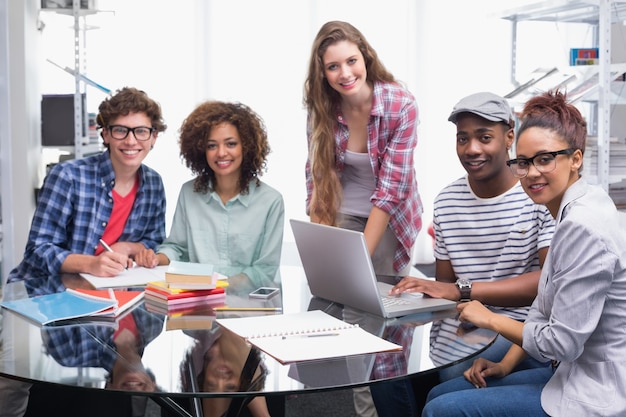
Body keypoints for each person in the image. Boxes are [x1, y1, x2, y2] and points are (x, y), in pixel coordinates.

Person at [422, 90, 626, 417]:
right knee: (438, 393)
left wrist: (490, 318)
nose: (531, 173)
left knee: (441, 410)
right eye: (524, 162)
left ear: (576, 159)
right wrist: (505, 365)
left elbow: (560, 343)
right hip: (571, 371)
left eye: (545, 159)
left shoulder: (582, 227)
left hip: (595, 389)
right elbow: (543, 310)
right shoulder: (576, 206)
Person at [369, 92, 555, 417]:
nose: (472, 149)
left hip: (515, 328)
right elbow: (445, 285)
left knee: (452, 376)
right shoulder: (446, 201)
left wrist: (461, 292)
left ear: (510, 136)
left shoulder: (535, 195)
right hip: (461, 322)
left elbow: (546, 283)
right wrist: (411, 304)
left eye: (485, 138)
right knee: (383, 369)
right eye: (462, 139)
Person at [303, 20, 423, 282]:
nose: (345, 73)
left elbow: (391, 191)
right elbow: (319, 179)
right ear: (323, 72)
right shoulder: (321, 109)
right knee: (333, 292)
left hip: (390, 217)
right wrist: (319, 252)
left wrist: (358, 264)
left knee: (378, 296)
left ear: (365, 57)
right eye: (333, 67)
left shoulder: (401, 105)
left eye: (351, 61)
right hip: (343, 212)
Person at [7, 87, 167, 282]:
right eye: (120, 130)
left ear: (154, 137)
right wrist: (91, 264)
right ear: (106, 135)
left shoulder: (154, 184)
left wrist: (127, 247)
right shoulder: (68, 177)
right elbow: (38, 250)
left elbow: (153, 242)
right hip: (46, 293)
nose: (131, 141)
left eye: (141, 131)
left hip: (110, 291)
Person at [135, 101, 284, 291]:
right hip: (194, 304)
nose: (221, 153)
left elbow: (264, 270)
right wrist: (156, 258)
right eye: (212, 145)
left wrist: (216, 288)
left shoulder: (270, 201)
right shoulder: (189, 193)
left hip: (247, 308)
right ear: (201, 150)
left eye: (231, 144)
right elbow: (178, 249)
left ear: (246, 146)